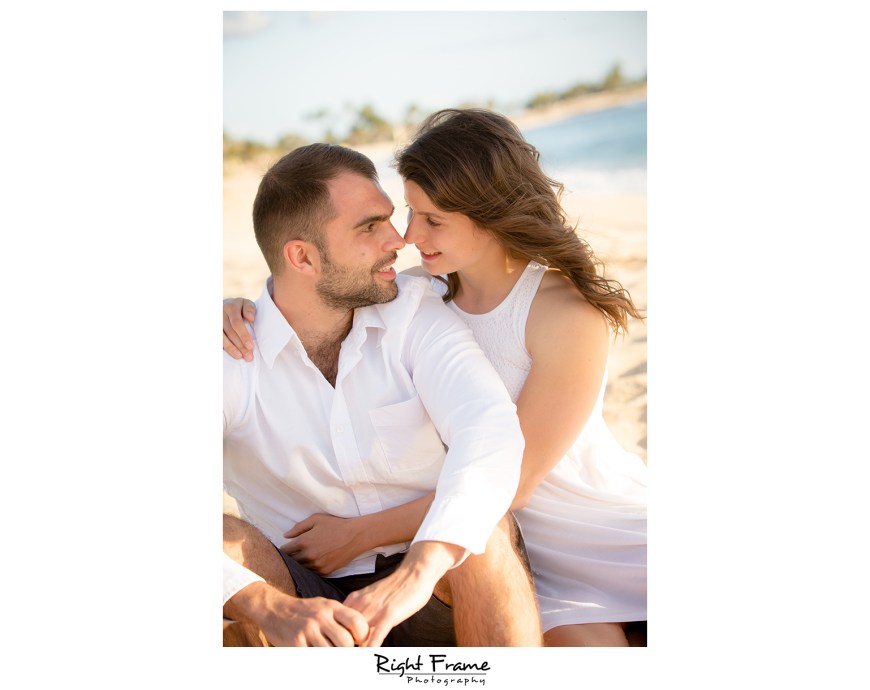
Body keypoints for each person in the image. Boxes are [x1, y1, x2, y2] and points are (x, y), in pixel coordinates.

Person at [224, 109, 648, 647]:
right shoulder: (422, 289)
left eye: (431, 219)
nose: (405, 236)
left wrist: (361, 535)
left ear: (488, 214)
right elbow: (313, 291)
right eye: (407, 214)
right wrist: (238, 308)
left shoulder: (562, 314)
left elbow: (512, 478)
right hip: (502, 542)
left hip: (580, 527)